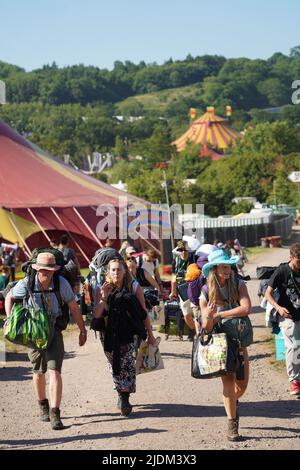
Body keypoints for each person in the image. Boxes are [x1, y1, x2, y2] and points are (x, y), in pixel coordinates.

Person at [5, 252, 87, 430]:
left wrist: (82, 330)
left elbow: (73, 307)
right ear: (37, 268)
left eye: (51, 270)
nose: (47, 273)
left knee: (54, 371)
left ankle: (55, 413)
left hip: (54, 330)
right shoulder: (27, 283)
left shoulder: (61, 283)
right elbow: (9, 297)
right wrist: (10, 318)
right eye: (44, 270)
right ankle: (42, 404)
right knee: (38, 371)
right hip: (34, 333)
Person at [199, 249, 252, 441]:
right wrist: (209, 317)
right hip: (220, 343)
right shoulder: (205, 291)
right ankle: (232, 424)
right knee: (228, 380)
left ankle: (231, 401)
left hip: (238, 341)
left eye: (228, 265)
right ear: (214, 269)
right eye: (223, 266)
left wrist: (219, 314)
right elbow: (206, 325)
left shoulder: (239, 284)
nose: (227, 269)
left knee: (243, 384)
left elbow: (246, 307)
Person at [94, 258, 156, 417]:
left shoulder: (133, 287)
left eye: (119, 270)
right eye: (113, 270)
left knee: (127, 362)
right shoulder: (102, 288)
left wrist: (150, 335)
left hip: (128, 331)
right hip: (108, 333)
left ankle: (124, 397)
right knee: (113, 363)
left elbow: (143, 314)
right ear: (108, 272)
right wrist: (104, 297)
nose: (116, 273)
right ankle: (121, 392)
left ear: (125, 271)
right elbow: (96, 315)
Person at [265, 243, 300, 396]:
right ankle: (294, 381)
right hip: (288, 316)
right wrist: (278, 308)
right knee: (293, 346)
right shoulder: (282, 271)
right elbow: (268, 293)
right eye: (298, 261)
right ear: (291, 258)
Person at [170, 240, 195, 340]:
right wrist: (173, 291)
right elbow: (173, 277)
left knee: (195, 312)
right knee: (186, 315)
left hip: (193, 288)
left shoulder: (193, 259)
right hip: (182, 290)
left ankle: (195, 332)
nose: (183, 252)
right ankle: (193, 329)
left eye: (185, 250)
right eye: (181, 250)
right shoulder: (175, 262)